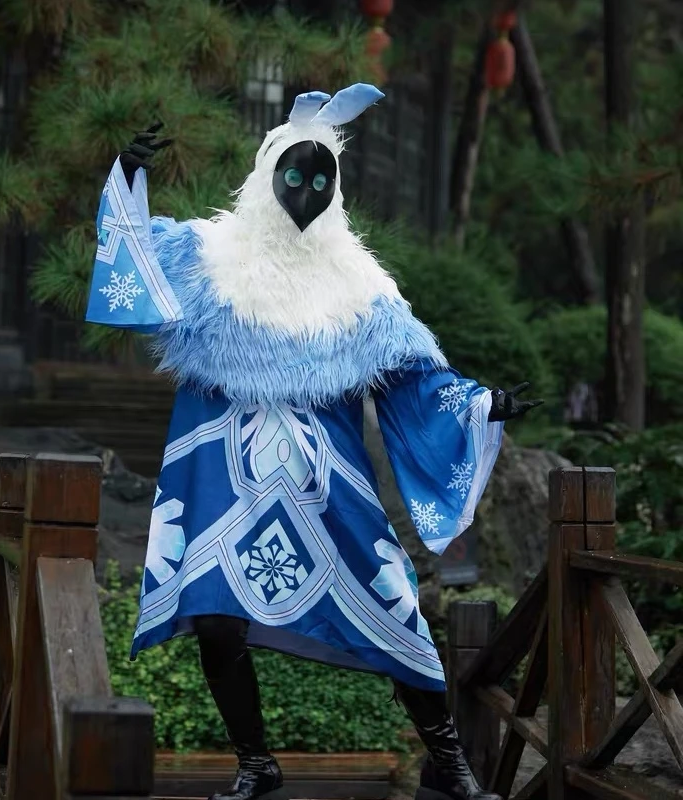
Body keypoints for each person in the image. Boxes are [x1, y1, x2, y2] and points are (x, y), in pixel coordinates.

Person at [85, 84, 541, 800]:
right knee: (214, 617)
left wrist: (479, 403)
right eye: (294, 175)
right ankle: (256, 764)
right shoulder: (205, 255)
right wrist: (128, 178)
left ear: (338, 184)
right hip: (220, 469)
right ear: (267, 173)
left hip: (327, 479)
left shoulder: (360, 284)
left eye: (321, 176)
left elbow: (416, 376)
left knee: (394, 602)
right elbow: (131, 268)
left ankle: (450, 764)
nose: (306, 189)